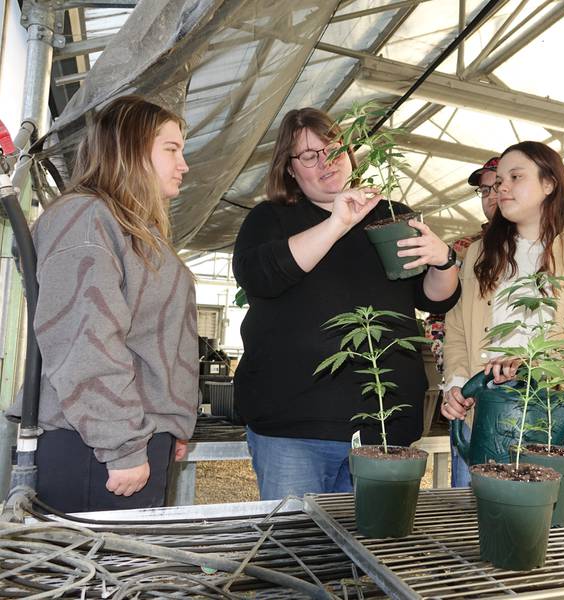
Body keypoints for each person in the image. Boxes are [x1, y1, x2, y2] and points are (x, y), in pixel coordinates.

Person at [233, 107, 460, 500]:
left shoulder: (390, 217)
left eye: (333, 148)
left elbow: (433, 296)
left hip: (386, 426)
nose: (326, 161)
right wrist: (338, 222)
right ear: (289, 169)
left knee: (372, 550)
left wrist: (443, 259)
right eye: (309, 155)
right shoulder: (269, 218)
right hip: (295, 425)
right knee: (299, 546)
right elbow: (260, 276)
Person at [7, 95, 197, 513]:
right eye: (171, 149)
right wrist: (123, 445)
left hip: (124, 439)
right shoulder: (86, 218)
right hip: (93, 448)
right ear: (129, 149)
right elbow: (84, 341)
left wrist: (170, 424)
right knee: (95, 577)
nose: (183, 165)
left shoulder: (132, 227)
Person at [441, 141, 564, 485]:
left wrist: (541, 367)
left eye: (516, 176)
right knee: (470, 531)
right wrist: (456, 385)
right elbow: (455, 329)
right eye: (499, 181)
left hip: (556, 418)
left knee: (544, 531)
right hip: (481, 419)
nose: (503, 188)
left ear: (549, 184)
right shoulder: (479, 254)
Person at [423, 157, 499, 487]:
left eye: (499, 185)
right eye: (485, 190)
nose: (492, 196)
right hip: (470, 395)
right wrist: (455, 377)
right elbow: (440, 319)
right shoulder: (465, 249)